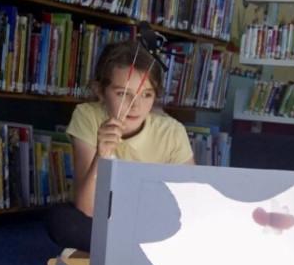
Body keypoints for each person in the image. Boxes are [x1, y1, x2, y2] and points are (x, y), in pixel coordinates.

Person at [46, 40, 194, 252]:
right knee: (62, 221)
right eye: (123, 94)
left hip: (149, 218)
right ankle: (135, 249)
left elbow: (191, 203)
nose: (136, 106)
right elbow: (87, 209)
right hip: (103, 216)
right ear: (100, 92)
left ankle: (124, 248)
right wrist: (102, 155)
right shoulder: (88, 115)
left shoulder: (172, 131)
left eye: (147, 95)